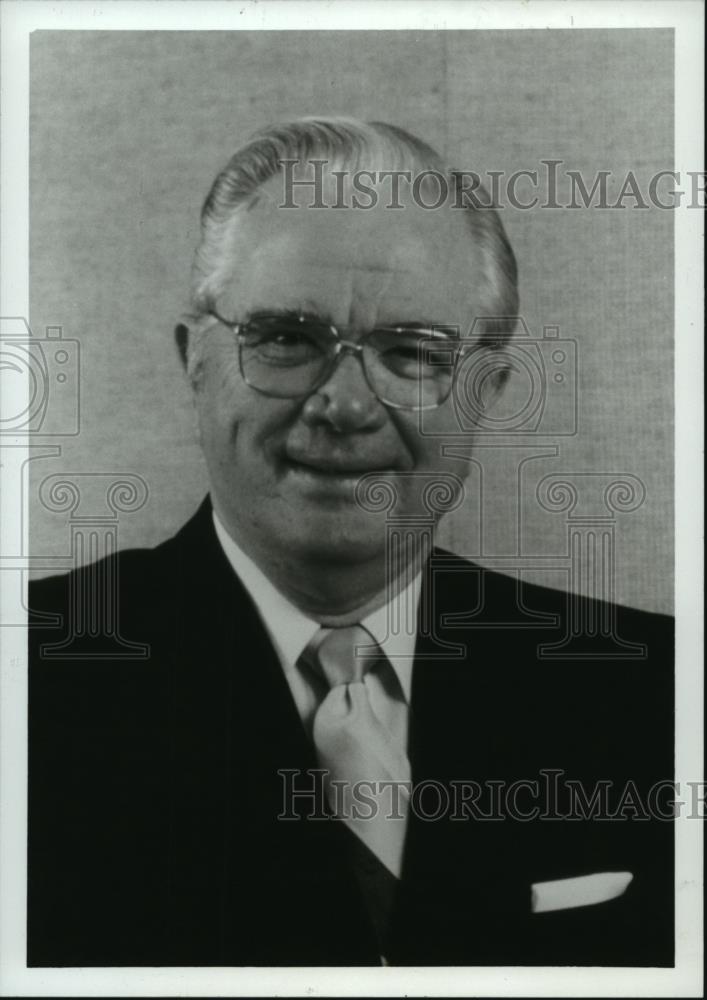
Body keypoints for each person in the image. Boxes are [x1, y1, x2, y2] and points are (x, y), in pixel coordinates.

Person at [28, 118, 673, 967]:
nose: (345, 404)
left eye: (411, 352)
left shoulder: (657, 696)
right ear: (195, 360)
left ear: (487, 392)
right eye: (287, 339)